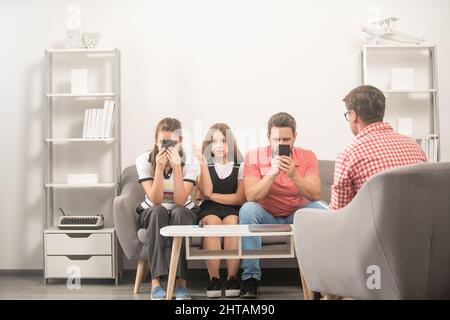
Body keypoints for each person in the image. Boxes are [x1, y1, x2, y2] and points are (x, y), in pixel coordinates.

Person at [239, 112, 326, 298]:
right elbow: (251, 195)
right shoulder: (253, 156)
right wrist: (272, 172)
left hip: (296, 213)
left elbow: (315, 195)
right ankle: (250, 278)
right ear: (268, 137)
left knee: (322, 209)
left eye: (286, 139)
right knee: (247, 209)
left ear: (295, 137)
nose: (281, 144)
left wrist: (294, 174)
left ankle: (320, 279)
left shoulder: (307, 156)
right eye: (277, 139)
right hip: (265, 214)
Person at [330, 85, 427, 211]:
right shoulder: (415, 146)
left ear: (353, 115)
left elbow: (338, 212)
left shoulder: (349, 154)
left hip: (376, 229)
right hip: (419, 226)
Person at [135, 117, 200, 300]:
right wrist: (159, 169)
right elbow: (155, 199)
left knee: (178, 212)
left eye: (172, 142)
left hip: (182, 210)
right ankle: (156, 282)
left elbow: (180, 200)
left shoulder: (191, 161)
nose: (167, 147)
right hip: (154, 210)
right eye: (163, 142)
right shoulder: (144, 160)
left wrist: (177, 168)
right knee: (158, 211)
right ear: (156, 140)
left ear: (180, 141)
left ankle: (180, 282)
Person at [194, 123, 245, 298]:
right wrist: (204, 196)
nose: (219, 145)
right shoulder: (203, 164)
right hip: (209, 210)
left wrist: (209, 195)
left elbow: (239, 198)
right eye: (214, 141)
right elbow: (197, 196)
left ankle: (232, 277)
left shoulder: (240, 164)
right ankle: (214, 278)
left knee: (232, 223)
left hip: (233, 208)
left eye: (223, 141)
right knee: (212, 223)